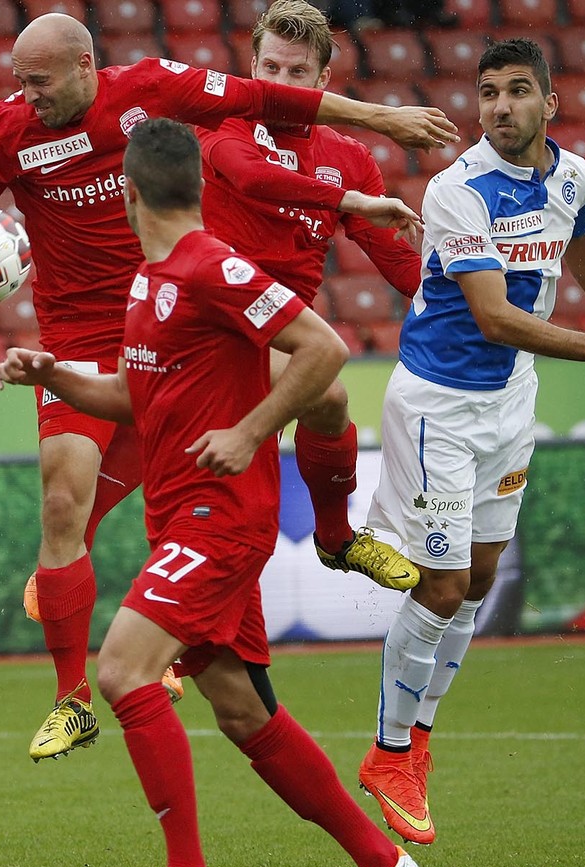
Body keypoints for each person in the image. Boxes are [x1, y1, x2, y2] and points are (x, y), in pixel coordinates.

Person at [0, 11, 459, 761]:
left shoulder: (157, 92)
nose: (27, 96)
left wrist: (383, 132)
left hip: (173, 317)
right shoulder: (20, 133)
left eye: (39, 81)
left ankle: (317, 547)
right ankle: (74, 691)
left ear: (87, 66)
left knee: (301, 412)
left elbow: (394, 258)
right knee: (68, 494)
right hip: (91, 330)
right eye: (18, 82)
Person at [0, 117, 423, 867]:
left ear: (126, 194)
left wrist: (252, 430)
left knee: (122, 668)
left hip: (221, 518)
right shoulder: (149, 278)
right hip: (181, 514)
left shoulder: (212, 266)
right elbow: (136, 397)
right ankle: (383, 862)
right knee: (242, 710)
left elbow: (323, 348)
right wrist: (54, 376)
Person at [354, 38, 585, 848]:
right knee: (442, 582)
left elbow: (583, 238)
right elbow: (495, 318)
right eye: (488, 92)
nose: (499, 106)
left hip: (510, 401)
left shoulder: (572, 176)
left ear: (549, 103)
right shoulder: (456, 192)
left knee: (482, 577)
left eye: (517, 91)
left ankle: (419, 738)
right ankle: (388, 752)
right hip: (439, 405)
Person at [199, 0, 423, 593]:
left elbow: (399, 263)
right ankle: (81, 561)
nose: (280, 83)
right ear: (251, 67)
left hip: (284, 328)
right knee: (319, 387)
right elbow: (252, 177)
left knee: (325, 400)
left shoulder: (347, 159)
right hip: (213, 320)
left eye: (296, 72)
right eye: (270, 68)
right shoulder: (220, 124)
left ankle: (335, 538)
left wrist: (473, 304)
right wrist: (348, 201)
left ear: (323, 80)